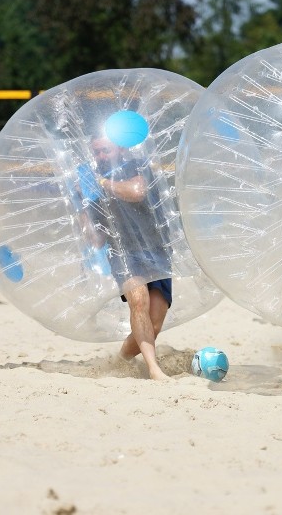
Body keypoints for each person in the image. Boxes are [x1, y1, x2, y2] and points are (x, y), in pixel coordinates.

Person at [84, 135, 172, 380]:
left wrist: (101, 182)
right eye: (97, 152)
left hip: (157, 249)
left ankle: (121, 360)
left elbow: (137, 191)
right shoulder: (92, 188)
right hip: (124, 253)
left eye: (105, 150)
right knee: (139, 303)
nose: (101, 156)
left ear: (119, 149)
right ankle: (154, 370)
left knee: (154, 324)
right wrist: (80, 205)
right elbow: (96, 240)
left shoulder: (137, 166)